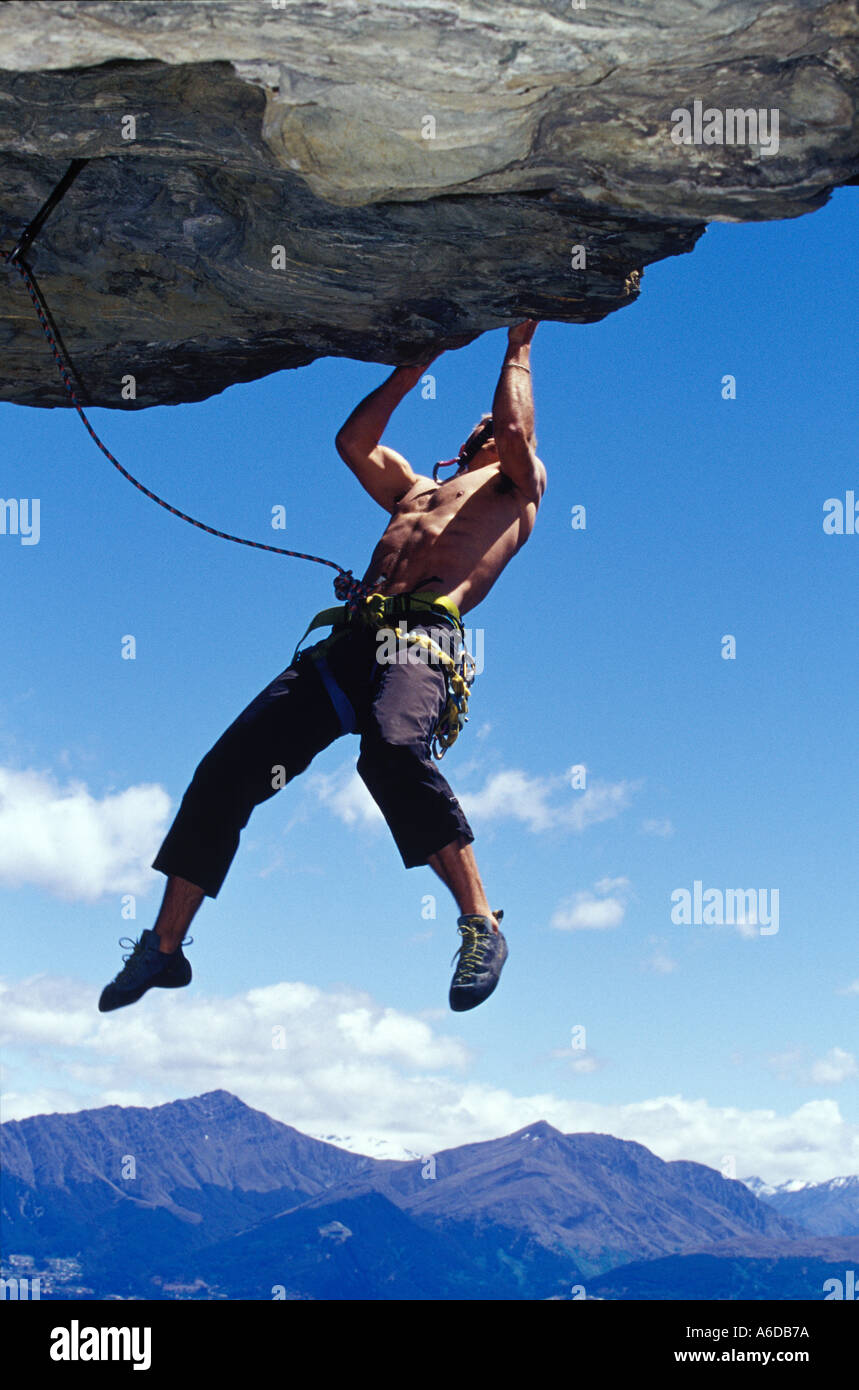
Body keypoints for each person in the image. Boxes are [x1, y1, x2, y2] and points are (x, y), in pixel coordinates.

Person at [99, 321, 545, 1016]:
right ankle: (163, 947)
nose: (494, 424)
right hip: (348, 645)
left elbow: (518, 434)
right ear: (464, 443)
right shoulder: (415, 492)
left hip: (419, 639)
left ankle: (480, 925)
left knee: (392, 752)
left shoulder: (517, 488)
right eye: (483, 422)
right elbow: (353, 443)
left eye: (501, 417)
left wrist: (517, 343)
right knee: (224, 773)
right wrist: (408, 371)